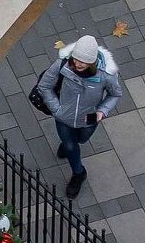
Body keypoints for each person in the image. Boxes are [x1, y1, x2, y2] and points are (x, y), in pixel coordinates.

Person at [35, 34, 126, 200]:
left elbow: (115, 94)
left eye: (83, 61)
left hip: (89, 119)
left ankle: (69, 146)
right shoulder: (62, 65)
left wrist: (101, 111)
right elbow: (44, 86)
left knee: (81, 140)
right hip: (64, 118)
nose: (77, 64)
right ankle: (78, 173)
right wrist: (57, 109)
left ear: (92, 61)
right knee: (71, 146)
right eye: (76, 59)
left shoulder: (106, 75)